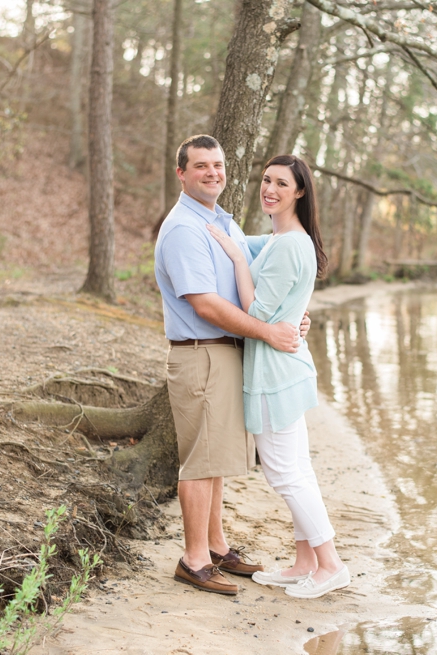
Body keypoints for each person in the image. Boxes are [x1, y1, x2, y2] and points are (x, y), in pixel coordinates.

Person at [154, 135, 308, 596]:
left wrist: (294, 311)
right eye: (200, 166)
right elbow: (205, 305)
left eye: (217, 165)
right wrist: (268, 331)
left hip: (224, 353)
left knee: (215, 455)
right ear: (181, 173)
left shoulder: (221, 222)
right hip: (202, 351)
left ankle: (217, 547)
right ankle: (194, 559)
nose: (212, 173)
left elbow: (276, 257)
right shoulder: (184, 228)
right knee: (200, 462)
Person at [206, 155, 349, 599]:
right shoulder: (283, 238)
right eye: (266, 180)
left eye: (281, 184)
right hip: (286, 369)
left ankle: (330, 564)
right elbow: (248, 244)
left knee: (287, 474)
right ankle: (305, 562)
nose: (269, 188)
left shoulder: (289, 244)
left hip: (275, 374)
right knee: (297, 470)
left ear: (299, 192)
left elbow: (257, 313)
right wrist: (231, 242)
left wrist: (235, 260)